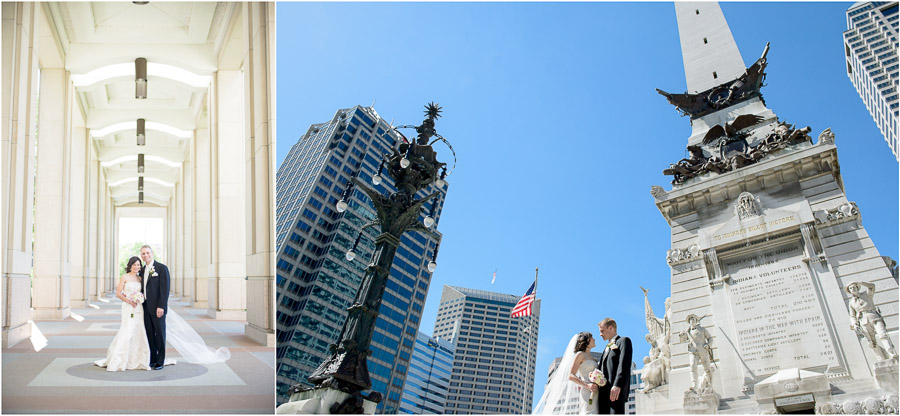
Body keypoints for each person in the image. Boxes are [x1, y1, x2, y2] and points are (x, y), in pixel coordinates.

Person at [94, 257, 151, 371]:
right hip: (128, 306)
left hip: (138, 308)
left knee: (138, 330)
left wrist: (138, 299)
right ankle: (119, 359)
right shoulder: (124, 277)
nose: (137, 267)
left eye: (138, 265)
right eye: (134, 265)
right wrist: (129, 301)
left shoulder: (140, 278)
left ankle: (138, 360)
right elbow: (118, 293)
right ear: (130, 265)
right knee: (127, 329)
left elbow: (143, 292)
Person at [534, 332, 598, 414]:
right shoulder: (580, 355)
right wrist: (587, 385)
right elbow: (570, 375)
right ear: (587, 342)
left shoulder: (594, 359)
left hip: (597, 391)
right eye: (592, 338)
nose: (594, 339)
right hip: (587, 391)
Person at [140, 245, 169, 370]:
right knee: (150, 334)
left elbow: (165, 289)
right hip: (145, 307)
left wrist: (161, 306)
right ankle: (152, 359)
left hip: (157, 308)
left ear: (152, 253)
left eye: (147, 253)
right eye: (143, 254)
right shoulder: (141, 270)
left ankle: (160, 361)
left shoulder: (161, 268)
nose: (145, 255)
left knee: (160, 334)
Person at [596, 318, 633, 414]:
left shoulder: (623, 341)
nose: (600, 334)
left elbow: (624, 364)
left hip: (615, 392)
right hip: (603, 394)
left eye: (602, 331)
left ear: (610, 328)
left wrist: (617, 385)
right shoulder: (606, 348)